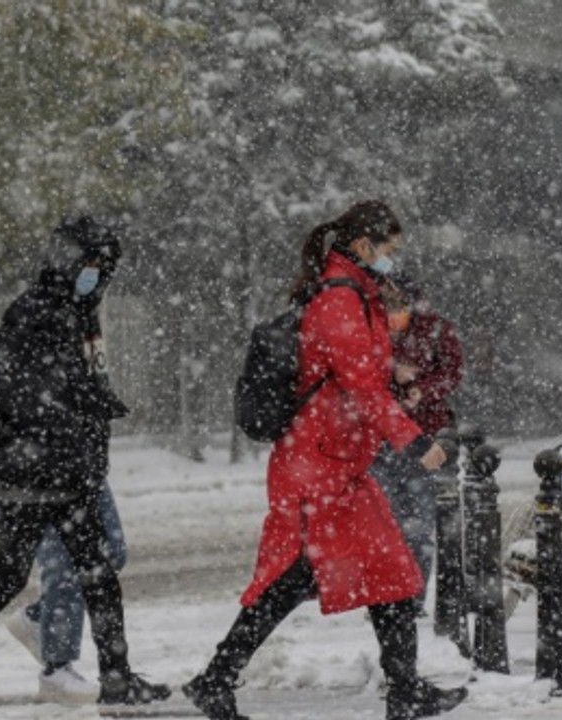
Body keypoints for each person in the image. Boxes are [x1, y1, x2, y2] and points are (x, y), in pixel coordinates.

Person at [183, 201, 468, 720]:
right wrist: (414, 440)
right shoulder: (340, 299)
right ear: (362, 246)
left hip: (335, 463)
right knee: (299, 578)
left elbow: (358, 377)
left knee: (390, 573)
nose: (392, 259)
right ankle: (216, 678)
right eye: (388, 249)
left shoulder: (357, 292)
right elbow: (360, 385)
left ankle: (403, 691)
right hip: (318, 466)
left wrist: (395, 384)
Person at [0, 216, 169, 707]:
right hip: (45, 467)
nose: (98, 274)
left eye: (103, 266)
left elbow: (54, 388)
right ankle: (114, 678)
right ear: (71, 262)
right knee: (95, 570)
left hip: (39, 465)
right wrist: (82, 410)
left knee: (12, 572)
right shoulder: (44, 312)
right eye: (92, 264)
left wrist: (95, 401)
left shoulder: (70, 310)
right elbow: (29, 395)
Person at [369, 273, 464, 613]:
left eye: (400, 305)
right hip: (380, 439)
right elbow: (358, 374)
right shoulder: (369, 327)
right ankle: (386, 597)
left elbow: (453, 372)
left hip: (423, 439)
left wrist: (423, 390)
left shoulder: (436, 330)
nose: (395, 313)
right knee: (384, 522)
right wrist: (390, 371)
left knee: (419, 524)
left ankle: (412, 597)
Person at [3, 487, 127, 704]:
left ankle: (38, 616)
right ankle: (56, 672)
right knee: (64, 568)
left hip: (84, 466)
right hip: (40, 474)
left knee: (111, 553)